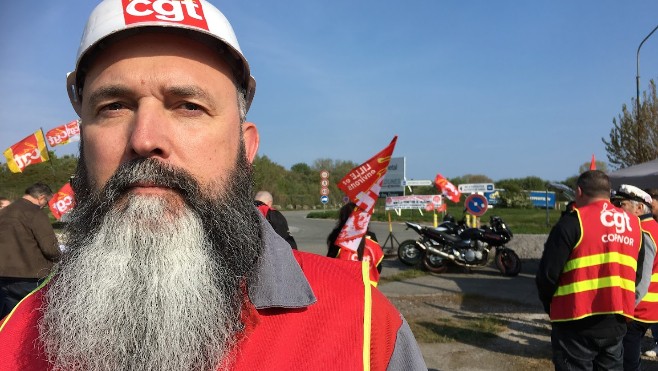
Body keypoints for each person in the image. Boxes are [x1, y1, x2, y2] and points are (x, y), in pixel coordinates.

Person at [0, 1, 426, 370]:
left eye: (188, 106)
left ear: (245, 145)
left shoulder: (364, 325)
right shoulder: (16, 332)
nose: (145, 138)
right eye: (113, 107)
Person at [536, 170, 643, 371]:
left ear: (578, 191)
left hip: (575, 320)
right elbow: (636, 273)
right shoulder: (634, 224)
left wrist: (550, 307)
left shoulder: (572, 221)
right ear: (609, 192)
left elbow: (547, 276)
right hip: (616, 320)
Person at [611, 185, 658, 371]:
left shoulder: (643, 232)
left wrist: (629, 306)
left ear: (639, 208)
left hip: (640, 307)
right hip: (649, 305)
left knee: (628, 360)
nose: (616, 208)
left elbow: (643, 275)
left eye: (621, 204)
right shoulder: (652, 227)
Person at [0, 182, 60, 318]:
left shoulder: (4, 212)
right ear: (41, 197)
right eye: (46, 202)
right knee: (31, 320)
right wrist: (61, 258)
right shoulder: (35, 213)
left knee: (8, 319)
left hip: (3, 276)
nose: (45, 206)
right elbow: (50, 248)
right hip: (31, 276)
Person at [327, 202, 384, 286]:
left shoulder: (338, 238)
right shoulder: (371, 238)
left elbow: (329, 264)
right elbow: (378, 266)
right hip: (368, 288)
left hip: (343, 286)